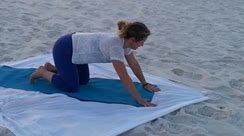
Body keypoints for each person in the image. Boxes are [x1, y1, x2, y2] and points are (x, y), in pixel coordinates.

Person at [29, 20, 160, 107]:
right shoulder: (115, 46)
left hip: (78, 52)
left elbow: (133, 64)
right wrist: (138, 99)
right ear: (132, 39)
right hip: (65, 48)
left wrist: (145, 83)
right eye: (142, 41)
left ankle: (52, 68)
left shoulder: (126, 45)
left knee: (84, 81)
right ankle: (43, 71)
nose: (142, 45)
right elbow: (124, 76)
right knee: (71, 86)